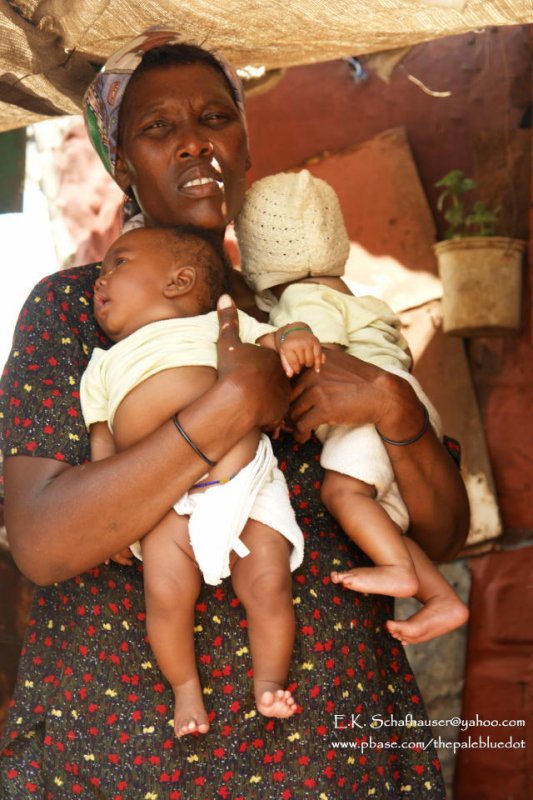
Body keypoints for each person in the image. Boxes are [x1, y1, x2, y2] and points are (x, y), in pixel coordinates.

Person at [0, 28, 469, 799]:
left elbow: (440, 534)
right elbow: (45, 543)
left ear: (244, 147)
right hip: (127, 753)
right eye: (158, 129)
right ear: (121, 165)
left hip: (331, 743)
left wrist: (391, 407)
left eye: (215, 119)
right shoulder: (76, 313)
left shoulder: (312, 315)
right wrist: (226, 409)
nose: (193, 144)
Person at [80, 223, 323, 733]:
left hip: (245, 480)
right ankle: (186, 692)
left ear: (179, 280)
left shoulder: (219, 322)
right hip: (162, 500)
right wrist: (110, 521)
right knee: (164, 598)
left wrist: (295, 336)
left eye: (117, 264)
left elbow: (274, 339)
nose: (98, 281)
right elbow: (102, 446)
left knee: (269, 584)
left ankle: (268, 684)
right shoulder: (101, 365)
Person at [235, 169, 469, 645]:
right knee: (377, 517)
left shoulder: (303, 299)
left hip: (364, 414)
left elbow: (314, 355)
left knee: (344, 496)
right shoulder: (362, 300)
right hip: (406, 406)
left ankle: (399, 572)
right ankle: (441, 597)